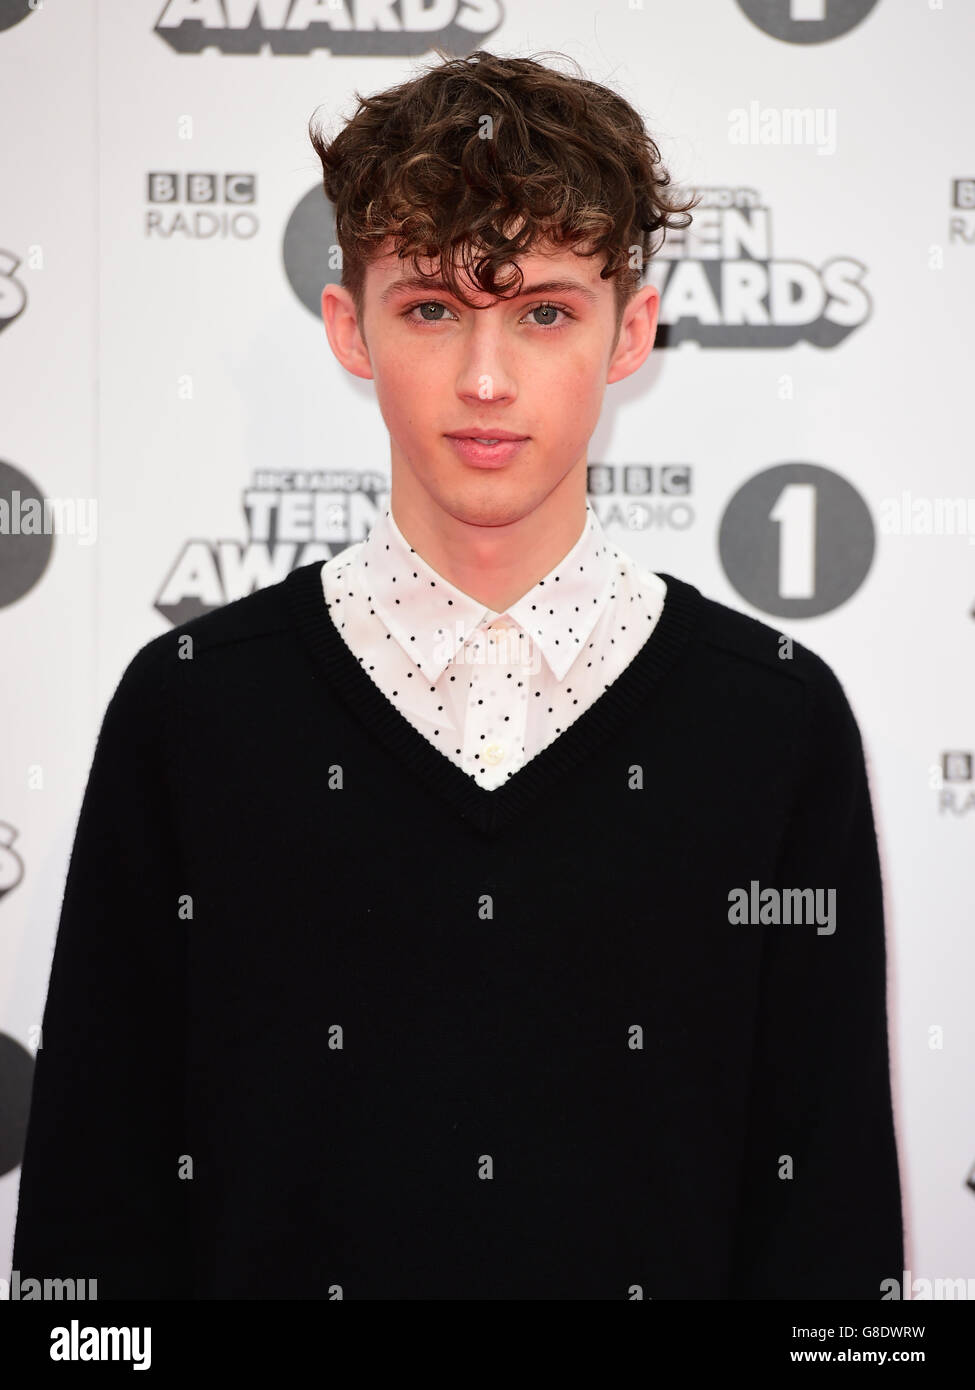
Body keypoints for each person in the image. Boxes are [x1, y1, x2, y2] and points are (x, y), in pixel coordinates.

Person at [13, 49, 903, 1300]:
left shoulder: (773, 718)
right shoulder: (192, 708)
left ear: (630, 331)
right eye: (433, 306)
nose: (488, 380)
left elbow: (830, 1223)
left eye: (545, 310)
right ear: (350, 326)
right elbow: (90, 1220)